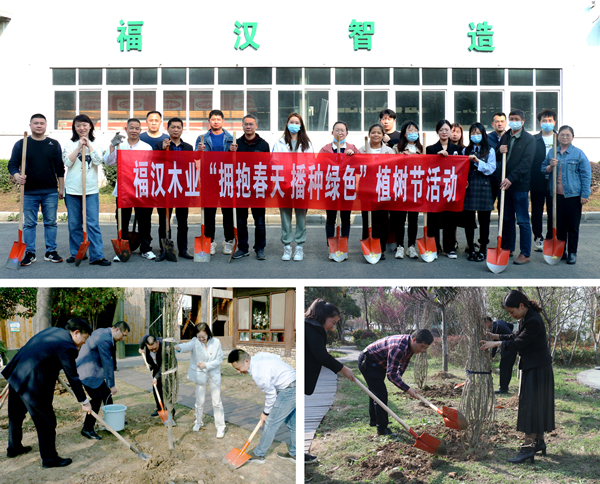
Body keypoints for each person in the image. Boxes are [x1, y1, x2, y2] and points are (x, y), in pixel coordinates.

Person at [2, 318, 92, 468]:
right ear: (76, 333)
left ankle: (14, 448)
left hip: (16, 375)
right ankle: (50, 459)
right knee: (47, 421)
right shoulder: (67, 345)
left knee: (16, 417)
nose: (84, 342)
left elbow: (44, 353)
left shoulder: (54, 331)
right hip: (32, 383)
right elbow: (73, 376)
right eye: (85, 338)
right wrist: (84, 401)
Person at [480, 290, 554, 464]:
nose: (511, 315)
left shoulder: (534, 320)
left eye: (511, 312)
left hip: (537, 369)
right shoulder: (528, 317)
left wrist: (497, 343)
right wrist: (496, 336)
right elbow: (516, 336)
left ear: (521, 306)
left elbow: (519, 342)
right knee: (536, 406)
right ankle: (538, 442)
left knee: (531, 407)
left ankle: (528, 448)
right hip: (535, 367)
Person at [8, 113, 64, 266]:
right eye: (36, 123)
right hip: (29, 192)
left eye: (42, 123)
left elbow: (60, 168)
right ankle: (30, 252)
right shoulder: (22, 144)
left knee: (51, 223)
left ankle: (51, 251)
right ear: (30, 125)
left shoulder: (54, 144)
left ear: (46, 126)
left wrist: (61, 188)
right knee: (29, 224)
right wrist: (17, 175)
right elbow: (12, 164)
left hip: (50, 191)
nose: (39, 125)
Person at [305, 299, 355, 464]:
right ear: (323, 316)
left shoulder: (309, 325)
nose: (333, 327)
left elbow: (315, 352)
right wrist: (343, 369)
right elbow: (320, 356)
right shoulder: (314, 328)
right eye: (333, 322)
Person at [358, 329, 433, 436]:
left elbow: (402, 365)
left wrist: (400, 381)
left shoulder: (411, 347)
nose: (422, 350)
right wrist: (407, 389)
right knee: (380, 394)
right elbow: (391, 375)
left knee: (376, 392)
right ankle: (382, 429)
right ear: (414, 340)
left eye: (425, 348)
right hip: (368, 362)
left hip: (378, 364)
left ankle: (376, 420)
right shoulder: (399, 347)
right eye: (422, 346)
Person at [228, 349, 296, 464]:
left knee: (271, 423)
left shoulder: (258, 374)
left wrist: (265, 413)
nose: (238, 372)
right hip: (295, 381)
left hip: (289, 389)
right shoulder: (260, 356)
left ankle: (259, 454)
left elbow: (271, 396)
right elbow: (277, 358)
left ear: (246, 361)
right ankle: (295, 453)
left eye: (238, 368)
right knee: (293, 423)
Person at [103, 118, 155, 262]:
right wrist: (112, 146)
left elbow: (150, 168)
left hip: (141, 188)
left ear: (140, 130)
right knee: (122, 219)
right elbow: (108, 162)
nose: (134, 130)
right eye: (131, 128)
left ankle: (146, 249)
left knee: (144, 220)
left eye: (137, 128)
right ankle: (122, 248)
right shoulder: (120, 145)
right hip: (123, 189)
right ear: (126, 129)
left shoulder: (146, 147)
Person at [62, 114, 110, 266]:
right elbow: (67, 163)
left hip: (90, 190)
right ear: (74, 128)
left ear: (90, 126)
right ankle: (78, 253)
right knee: (74, 224)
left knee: (93, 223)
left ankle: (97, 256)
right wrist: (78, 147)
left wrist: (88, 146)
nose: (81, 128)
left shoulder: (97, 143)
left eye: (84, 125)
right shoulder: (69, 144)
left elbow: (98, 161)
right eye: (78, 126)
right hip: (72, 189)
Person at [541, 125, 591, 265]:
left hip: (573, 196)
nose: (564, 137)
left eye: (567, 135)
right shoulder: (552, 152)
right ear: (558, 137)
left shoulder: (578, 154)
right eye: (562, 135)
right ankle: (561, 251)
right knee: (559, 225)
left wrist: (585, 194)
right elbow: (543, 169)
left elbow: (586, 175)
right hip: (556, 196)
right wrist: (550, 166)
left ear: (572, 137)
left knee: (573, 226)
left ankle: (572, 253)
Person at [76, 321, 130, 440]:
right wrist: (112, 385)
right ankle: (87, 428)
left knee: (106, 394)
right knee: (96, 398)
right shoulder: (104, 338)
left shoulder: (104, 332)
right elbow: (107, 362)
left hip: (94, 371)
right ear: (117, 330)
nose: (123, 338)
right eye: (123, 335)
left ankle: (112, 421)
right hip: (87, 372)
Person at [495, 109, 536, 265]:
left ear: (523, 121)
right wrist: (499, 150)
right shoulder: (505, 136)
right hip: (505, 185)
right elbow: (498, 157)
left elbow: (526, 164)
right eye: (511, 119)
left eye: (516, 119)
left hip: (519, 186)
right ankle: (508, 248)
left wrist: (511, 178)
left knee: (523, 220)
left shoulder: (528, 140)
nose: (514, 121)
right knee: (506, 219)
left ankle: (525, 253)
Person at [272, 112, 314, 261]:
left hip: (301, 184)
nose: (294, 125)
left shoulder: (307, 144)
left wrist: (304, 179)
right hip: (284, 184)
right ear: (287, 124)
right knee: (285, 216)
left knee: (301, 216)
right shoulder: (280, 143)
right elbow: (274, 162)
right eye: (292, 122)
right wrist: (283, 179)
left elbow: (311, 165)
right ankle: (287, 247)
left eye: (297, 122)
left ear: (301, 125)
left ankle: (300, 247)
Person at [230, 113, 270, 261]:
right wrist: (230, 153)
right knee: (241, 221)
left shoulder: (263, 145)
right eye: (246, 124)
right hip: (240, 188)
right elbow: (230, 166)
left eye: (251, 124)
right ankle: (243, 248)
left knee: (259, 222)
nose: (248, 126)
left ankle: (260, 248)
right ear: (242, 126)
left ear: (256, 126)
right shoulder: (236, 144)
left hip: (258, 189)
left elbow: (268, 168)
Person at [195, 109, 235, 256]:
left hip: (226, 179)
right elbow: (195, 159)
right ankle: (209, 241)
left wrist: (234, 152)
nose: (216, 121)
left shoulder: (231, 138)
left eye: (218, 119)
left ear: (223, 121)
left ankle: (228, 241)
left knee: (228, 211)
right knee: (209, 212)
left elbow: (236, 161)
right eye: (213, 119)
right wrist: (198, 151)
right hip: (209, 180)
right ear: (209, 121)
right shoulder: (202, 138)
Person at [153, 117, 193, 260]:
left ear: (182, 129)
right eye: (173, 127)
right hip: (165, 189)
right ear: (167, 129)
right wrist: (163, 151)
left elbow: (191, 168)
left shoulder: (188, 147)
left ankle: (183, 249)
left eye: (178, 127)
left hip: (182, 189)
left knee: (183, 221)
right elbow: (155, 164)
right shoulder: (159, 145)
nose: (176, 130)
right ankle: (164, 250)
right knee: (164, 221)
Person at [175, 323, 225, 437]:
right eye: (199, 337)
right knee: (199, 401)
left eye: (203, 336)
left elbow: (219, 359)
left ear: (208, 333)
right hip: (200, 375)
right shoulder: (195, 341)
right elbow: (186, 346)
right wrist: (177, 347)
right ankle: (198, 422)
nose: (201, 339)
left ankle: (220, 427)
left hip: (213, 375)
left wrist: (206, 365)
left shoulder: (216, 342)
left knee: (217, 402)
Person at [319, 121, 358, 258]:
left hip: (347, 188)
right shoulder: (325, 149)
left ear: (347, 133)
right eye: (337, 130)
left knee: (345, 217)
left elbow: (360, 166)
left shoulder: (352, 148)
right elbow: (319, 166)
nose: (339, 133)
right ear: (332, 132)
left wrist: (354, 155)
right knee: (331, 217)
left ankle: (343, 246)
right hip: (331, 187)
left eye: (342, 130)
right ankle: (331, 247)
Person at [426, 120, 462, 258]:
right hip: (435, 189)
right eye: (441, 129)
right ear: (437, 132)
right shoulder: (430, 149)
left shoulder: (457, 149)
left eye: (447, 129)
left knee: (450, 218)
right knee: (433, 219)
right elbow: (427, 168)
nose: (444, 132)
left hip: (450, 188)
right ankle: (434, 247)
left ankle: (449, 248)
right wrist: (437, 157)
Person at [461, 123, 496, 261]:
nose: (475, 136)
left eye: (478, 133)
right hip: (469, 187)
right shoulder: (466, 150)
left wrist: (477, 161)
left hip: (484, 186)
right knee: (469, 221)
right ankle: (471, 247)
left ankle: (482, 249)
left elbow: (491, 168)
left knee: (484, 221)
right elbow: (462, 167)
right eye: (473, 133)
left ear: (483, 134)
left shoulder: (490, 150)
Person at [359, 124, 395, 258]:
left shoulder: (389, 151)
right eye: (373, 132)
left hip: (383, 189)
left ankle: (381, 248)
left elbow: (394, 170)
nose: (376, 135)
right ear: (369, 134)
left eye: (379, 133)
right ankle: (368, 246)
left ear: (383, 135)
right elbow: (356, 168)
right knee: (367, 218)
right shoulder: (362, 150)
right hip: (366, 190)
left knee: (382, 219)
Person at [391, 121, 423, 260]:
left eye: (415, 130)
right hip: (401, 187)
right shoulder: (396, 148)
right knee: (400, 218)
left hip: (416, 187)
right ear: (404, 133)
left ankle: (411, 246)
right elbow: (390, 166)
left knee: (413, 218)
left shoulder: (422, 149)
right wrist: (400, 158)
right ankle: (400, 246)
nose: (413, 133)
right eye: (410, 130)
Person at [531, 109, 558, 252]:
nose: (547, 123)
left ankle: (550, 237)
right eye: (544, 120)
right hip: (537, 180)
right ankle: (538, 237)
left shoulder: (560, 138)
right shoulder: (533, 140)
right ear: (539, 122)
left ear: (554, 122)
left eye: (550, 120)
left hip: (555, 181)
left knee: (553, 209)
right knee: (537, 210)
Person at [484, 316, 516, 393]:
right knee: (508, 368)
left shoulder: (494, 327)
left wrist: (491, 355)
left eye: (484, 324)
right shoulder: (500, 322)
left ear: (488, 322)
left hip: (507, 348)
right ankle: (505, 387)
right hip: (513, 346)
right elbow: (511, 326)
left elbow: (494, 344)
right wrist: (508, 335)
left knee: (504, 367)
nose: (484, 327)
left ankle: (503, 389)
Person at [138, 334, 165, 417]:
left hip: (166, 369)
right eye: (151, 349)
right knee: (156, 389)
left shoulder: (164, 348)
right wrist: (140, 348)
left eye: (155, 348)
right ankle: (159, 409)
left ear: (157, 342)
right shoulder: (145, 341)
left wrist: (156, 378)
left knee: (165, 390)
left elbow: (163, 366)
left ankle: (169, 412)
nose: (153, 350)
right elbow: (143, 339)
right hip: (156, 366)